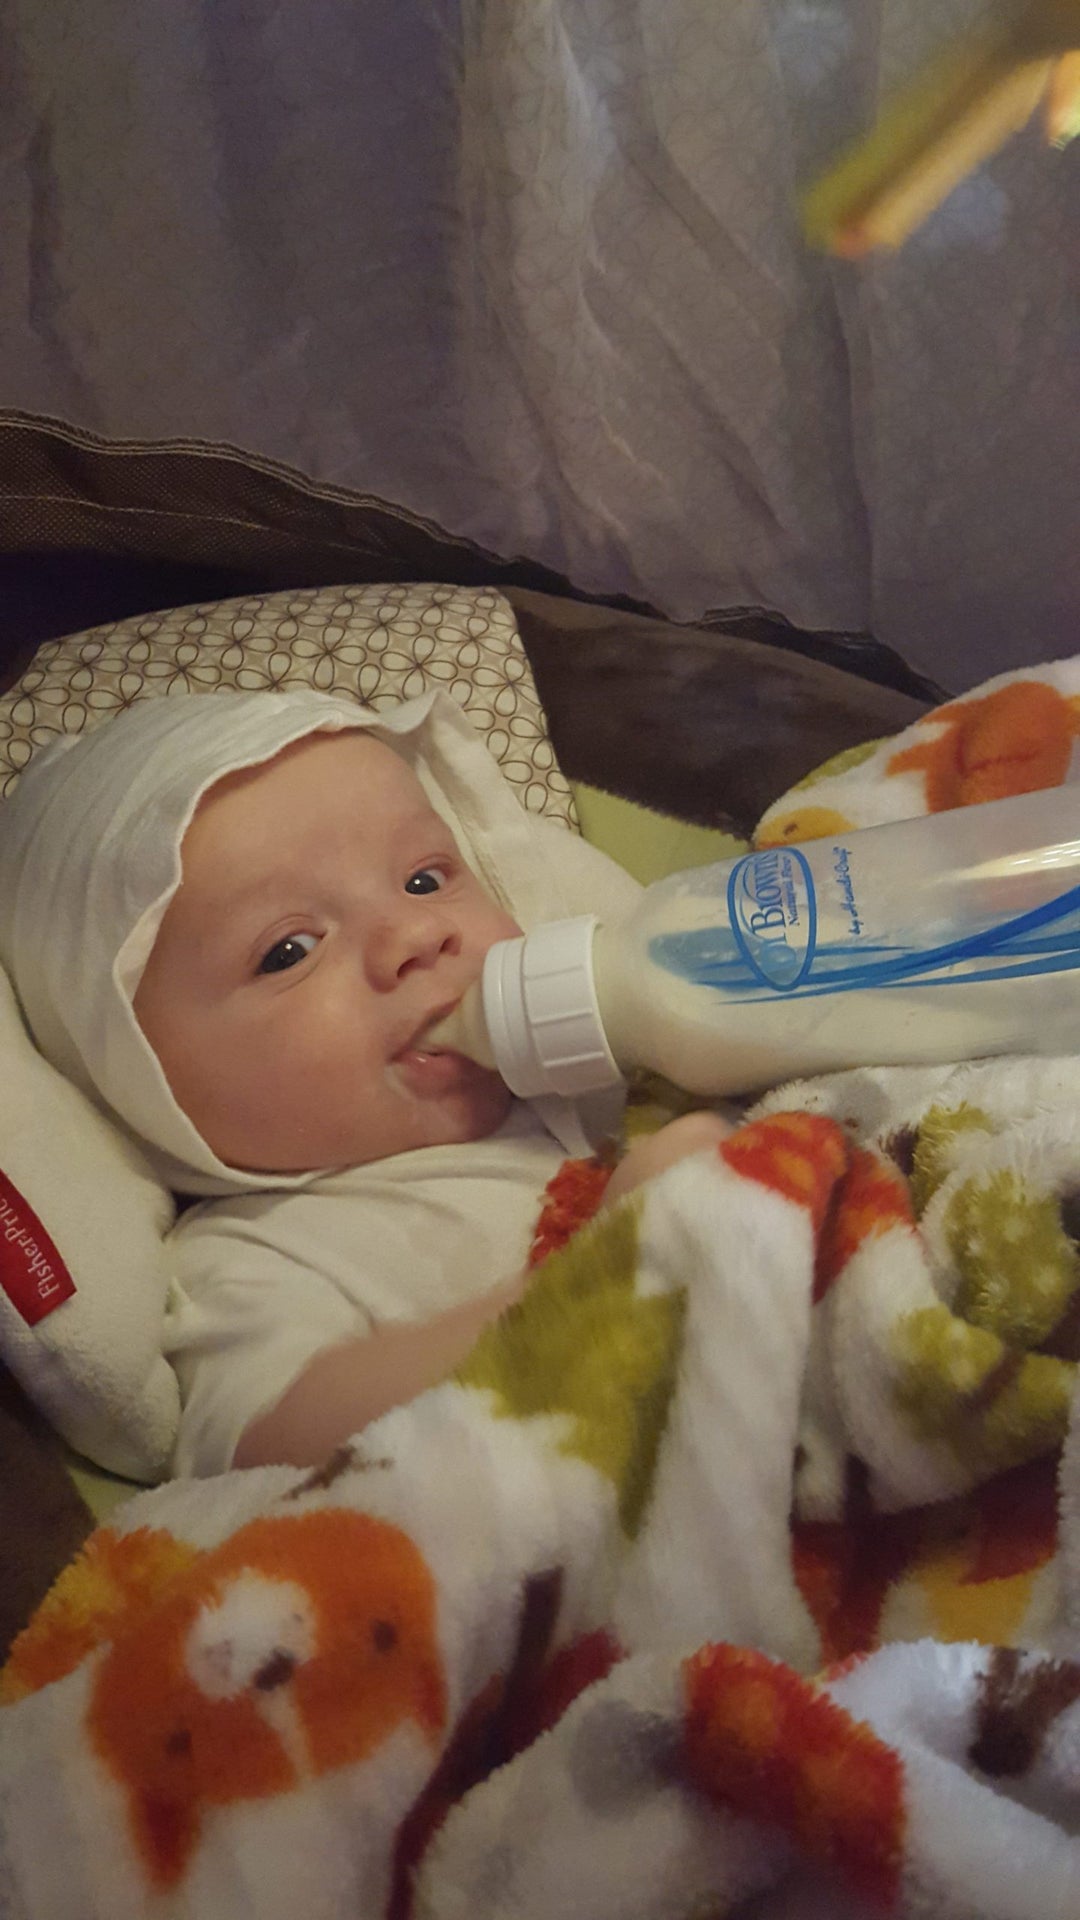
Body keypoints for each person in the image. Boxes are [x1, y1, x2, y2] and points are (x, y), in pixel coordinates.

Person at [0, 687, 729, 1476]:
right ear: (141, 1088)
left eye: (425, 879)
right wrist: (601, 1277)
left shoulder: (609, 1063)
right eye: (290, 951)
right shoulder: (261, 1252)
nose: (416, 934)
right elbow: (260, 1449)